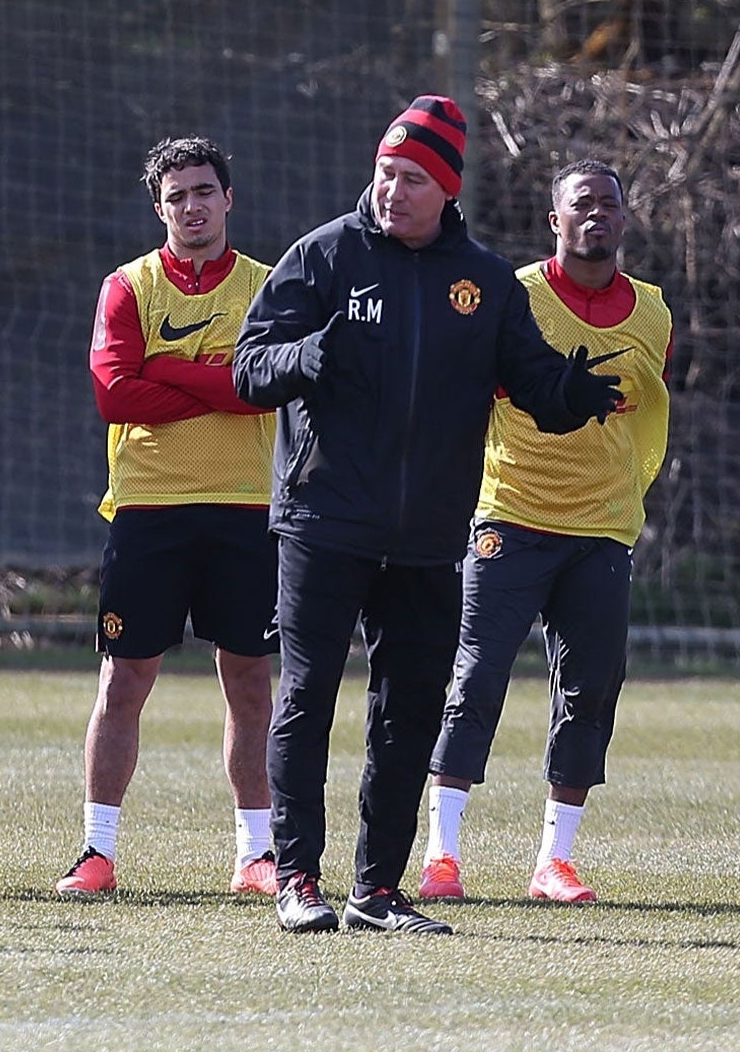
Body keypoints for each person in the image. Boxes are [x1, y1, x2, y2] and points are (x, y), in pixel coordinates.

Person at [232, 96, 624, 935]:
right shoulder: (324, 257)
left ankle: (377, 890)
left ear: (446, 189)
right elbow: (249, 368)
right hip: (322, 523)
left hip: (426, 540)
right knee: (305, 698)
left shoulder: (481, 282)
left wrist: (571, 395)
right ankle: (297, 876)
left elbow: (531, 379)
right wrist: (306, 356)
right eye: (385, 173)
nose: (392, 190)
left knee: (408, 710)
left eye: (412, 178)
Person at [420, 159, 671, 905]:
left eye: (608, 204)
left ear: (625, 220)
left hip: (601, 529)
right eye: (580, 204)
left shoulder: (653, 312)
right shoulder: (514, 295)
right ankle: (442, 855)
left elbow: (649, 406)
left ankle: (553, 861)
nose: (595, 214)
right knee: (475, 679)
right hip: (511, 516)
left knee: (590, 691)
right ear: (553, 221)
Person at [58, 137, 279, 898]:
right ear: (159, 208)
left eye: (204, 191)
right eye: (177, 195)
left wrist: (167, 371)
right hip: (149, 508)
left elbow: (265, 389)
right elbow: (115, 393)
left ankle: (257, 854)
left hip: (248, 507)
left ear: (229, 199)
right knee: (124, 679)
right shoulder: (128, 287)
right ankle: (96, 852)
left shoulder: (270, 286)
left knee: (251, 682)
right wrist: (218, 381)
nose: (192, 206)